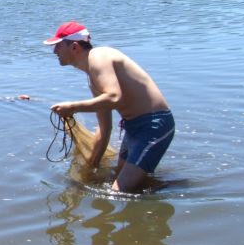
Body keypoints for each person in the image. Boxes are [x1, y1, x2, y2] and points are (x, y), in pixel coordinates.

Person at [44, 21, 174, 193]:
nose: (54, 52)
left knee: (119, 191)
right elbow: (105, 129)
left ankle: (180, 190)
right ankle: (158, 185)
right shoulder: (92, 77)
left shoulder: (99, 56)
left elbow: (113, 97)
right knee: (119, 178)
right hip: (133, 127)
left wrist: (73, 107)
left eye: (58, 46)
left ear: (74, 47)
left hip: (153, 126)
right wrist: (91, 168)